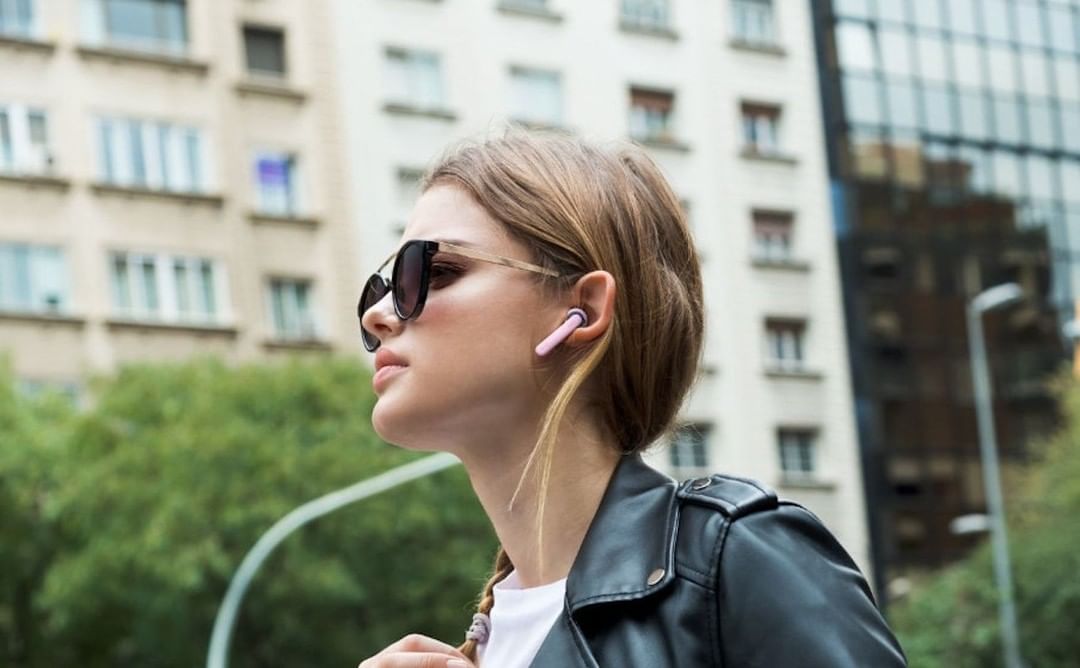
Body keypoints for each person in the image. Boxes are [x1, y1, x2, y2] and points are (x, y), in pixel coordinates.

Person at [356, 130, 907, 667]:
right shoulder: (488, 646)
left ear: (584, 310)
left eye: (435, 271)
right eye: (382, 288)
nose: (376, 315)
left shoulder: (732, 559)